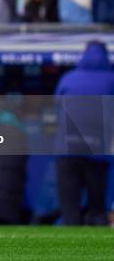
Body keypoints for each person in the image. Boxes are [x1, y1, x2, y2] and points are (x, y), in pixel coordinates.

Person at [54, 41, 114, 225]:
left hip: (66, 150)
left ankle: (69, 251)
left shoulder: (68, 78)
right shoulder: (111, 79)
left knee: (69, 210)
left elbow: (57, 108)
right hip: (97, 151)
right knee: (97, 208)